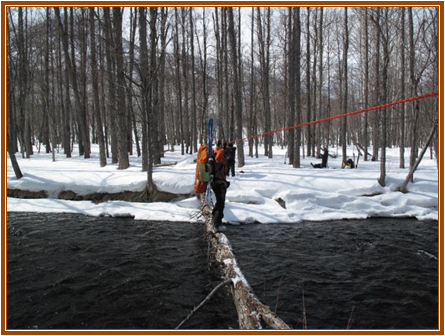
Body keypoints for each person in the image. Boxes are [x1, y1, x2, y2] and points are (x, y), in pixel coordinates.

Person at [210, 140, 230, 232]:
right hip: (219, 183)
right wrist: (224, 149)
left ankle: (214, 219)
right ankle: (216, 224)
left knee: (219, 202)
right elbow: (221, 156)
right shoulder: (219, 157)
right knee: (221, 204)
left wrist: (223, 146)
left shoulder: (214, 154)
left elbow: (219, 153)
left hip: (215, 182)